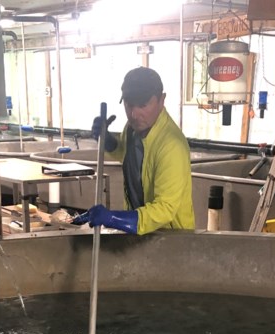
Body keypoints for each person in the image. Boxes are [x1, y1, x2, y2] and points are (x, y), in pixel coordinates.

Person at [73, 66, 195, 235]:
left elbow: (165, 209)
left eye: (143, 105)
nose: (134, 114)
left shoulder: (172, 146)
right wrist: (107, 141)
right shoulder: (132, 129)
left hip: (171, 240)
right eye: (129, 104)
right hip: (143, 235)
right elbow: (128, 156)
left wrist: (113, 218)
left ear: (162, 100)